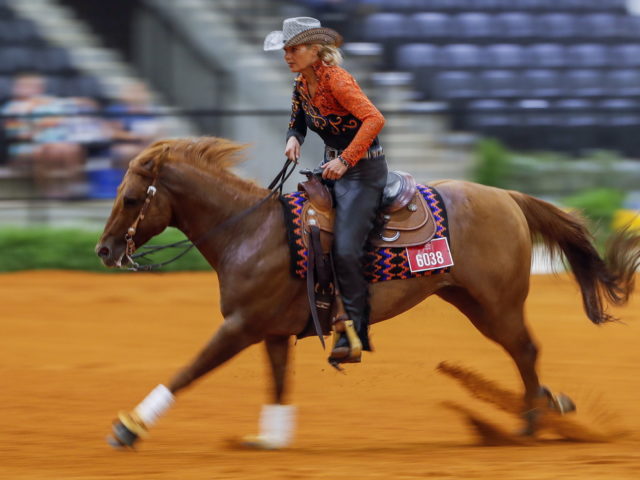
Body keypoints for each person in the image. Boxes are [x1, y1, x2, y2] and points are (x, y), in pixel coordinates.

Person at [265, 17, 387, 364]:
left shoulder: (338, 81)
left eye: (293, 49)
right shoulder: (302, 83)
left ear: (315, 49)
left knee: (347, 248)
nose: (287, 55)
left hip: (364, 172)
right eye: (285, 49)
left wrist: (347, 160)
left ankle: (356, 332)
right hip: (333, 170)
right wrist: (293, 138)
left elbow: (375, 119)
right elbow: (297, 120)